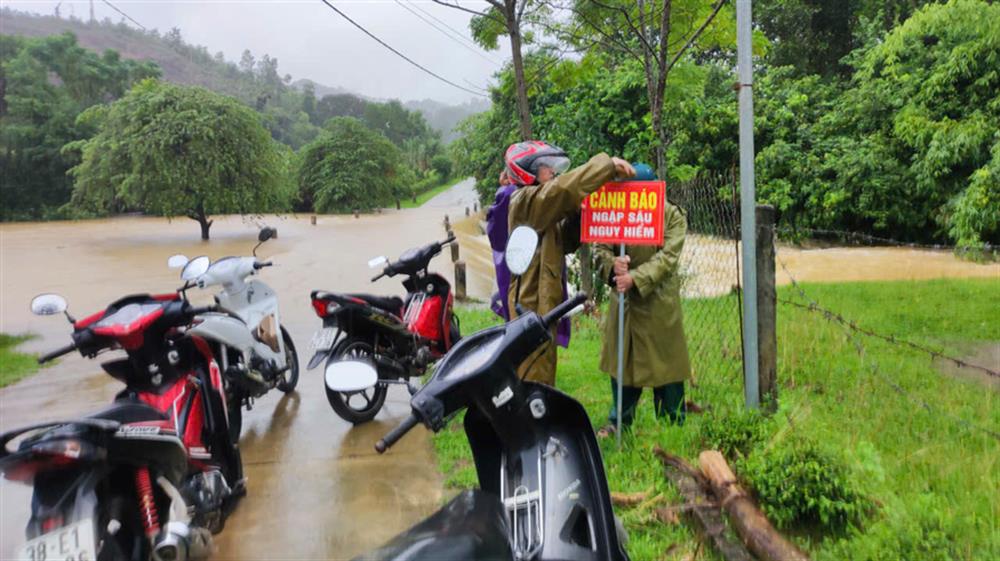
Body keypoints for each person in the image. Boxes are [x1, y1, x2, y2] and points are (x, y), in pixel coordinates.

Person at [502, 140, 636, 385]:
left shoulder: (542, 212)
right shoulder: (523, 201)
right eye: (546, 167)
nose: (552, 172)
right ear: (527, 171)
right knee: (531, 373)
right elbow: (562, 191)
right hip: (528, 304)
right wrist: (606, 166)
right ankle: (528, 422)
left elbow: (564, 241)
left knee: (542, 369)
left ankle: (535, 419)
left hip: (544, 304)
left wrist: (578, 214)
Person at [595, 164, 691, 435]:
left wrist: (636, 278)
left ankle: (674, 424)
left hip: (658, 303)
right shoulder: (613, 209)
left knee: (667, 367)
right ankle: (619, 422)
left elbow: (668, 257)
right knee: (622, 365)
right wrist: (612, 266)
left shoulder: (671, 215)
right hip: (623, 303)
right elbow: (600, 247)